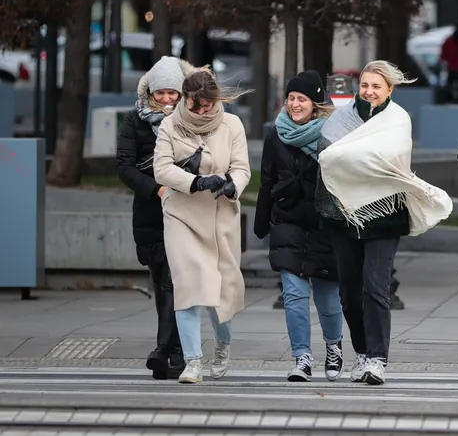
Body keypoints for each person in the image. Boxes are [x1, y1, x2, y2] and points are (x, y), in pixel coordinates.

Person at [316, 60, 452, 386]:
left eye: (377, 86)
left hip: (384, 214)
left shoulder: (398, 120)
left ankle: (378, 359)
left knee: (375, 287)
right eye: (365, 85)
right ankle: (361, 351)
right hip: (343, 214)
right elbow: (327, 155)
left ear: (390, 90)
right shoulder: (340, 118)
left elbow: (388, 160)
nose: (369, 91)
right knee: (349, 293)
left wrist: (354, 160)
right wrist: (355, 160)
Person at [153, 68, 251, 384]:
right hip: (182, 214)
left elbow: (242, 168)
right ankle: (193, 361)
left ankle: (222, 345)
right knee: (189, 285)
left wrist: (231, 185)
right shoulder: (170, 125)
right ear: (185, 98)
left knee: (221, 291)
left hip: (220, 214)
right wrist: (195, 182)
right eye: (196, 104)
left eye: (207, 103)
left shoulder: (232, 124)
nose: (202, 110)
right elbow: (162, 169)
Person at [255, 71, 343, 382]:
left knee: (327, 297)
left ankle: (334, 346)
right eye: (291, 98)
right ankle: (302, 357)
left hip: (324, 222)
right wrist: (261, 220)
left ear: (316, 102)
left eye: (301, 99)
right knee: (292, 292)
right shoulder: (276, 133)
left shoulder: (333, 132)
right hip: (287, 219)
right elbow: (267, 178)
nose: (294, 104)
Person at [116, 55, 191, 380]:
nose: (165, 99)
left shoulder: (192, 118)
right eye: (159, 93)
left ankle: (166, 351)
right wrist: (157, 190)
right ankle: (175, 353)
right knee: (162, 280)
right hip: (151, 211)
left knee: (173, 279)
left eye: (172, 93)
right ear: (149, 92)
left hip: (186, 210)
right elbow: (124, 165)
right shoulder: (134, 120)